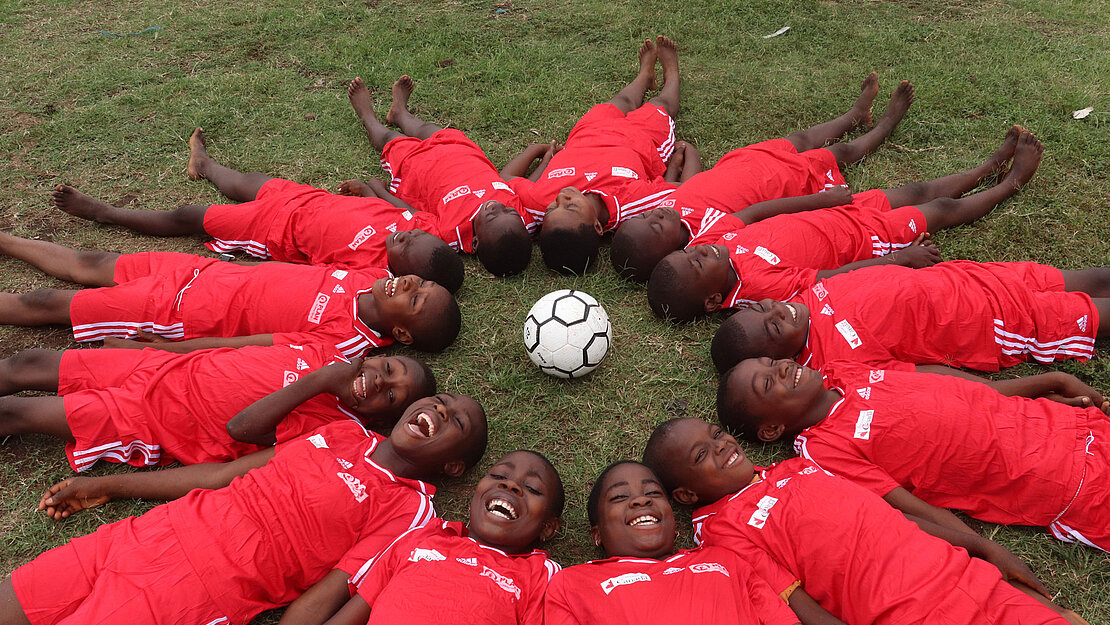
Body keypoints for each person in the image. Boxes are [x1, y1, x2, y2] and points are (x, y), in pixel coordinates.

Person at [0, 393, 488, 625]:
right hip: (147, 533)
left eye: (456, 422)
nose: (441, 412)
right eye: (439, 402)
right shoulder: (343, 433)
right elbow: (221, 475)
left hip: (196, 586)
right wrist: (113, 485)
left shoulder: (411, 512)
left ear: (453, 467)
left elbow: (327, 593)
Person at [641, 417, 1088, 625]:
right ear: (685, 494)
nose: (720, 446)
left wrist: (983, 548)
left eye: (716, 435)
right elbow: (797, 606)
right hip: (912, 612)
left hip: (966, 577)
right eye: (702, 455)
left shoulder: (793, 467)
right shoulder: (722, 530)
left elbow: (888, 514)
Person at [718, 356, 1110, 552]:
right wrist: (986, 551)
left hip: (1065, 424)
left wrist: (1046, 381)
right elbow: (907, 509)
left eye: (771, 362)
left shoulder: (843, 371)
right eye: (769, 382)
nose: (784, 366)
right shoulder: (822, 449)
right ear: (771, 429)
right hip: (1065, 482)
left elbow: (946, 383)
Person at [648, 129, 1042, 322]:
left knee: (916, 188)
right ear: (714, 301)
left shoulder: (713, 239)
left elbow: (756, 212)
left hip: (840, 211)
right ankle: (1010, 182)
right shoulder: (758, 290)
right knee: (939, 207)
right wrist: (901, 259)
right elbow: (833, 276)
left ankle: (990, 165)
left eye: (688, 252)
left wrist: (821, 200)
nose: (698, 251)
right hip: (870, 238)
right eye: (698, 264)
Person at [51, 128, 463, 293]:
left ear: (403, 273)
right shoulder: (422, 226)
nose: (407, 234)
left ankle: (103, 211)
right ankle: (206, 163)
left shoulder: (370, 273)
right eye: (418, 235)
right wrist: (369, 189)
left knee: (189, 215)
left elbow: (314, 279)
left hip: (273, 230)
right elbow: (397, 206)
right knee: (250, 181)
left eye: (407, 247)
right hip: (309, 199)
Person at [612, 71, 916, 282]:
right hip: (778, 183)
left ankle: (854, 114)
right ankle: (884, 126)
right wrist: (821, 201)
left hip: (744, 162)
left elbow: (685, 186)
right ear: (668, 253)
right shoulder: (709, 238)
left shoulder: (669, 210)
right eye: (652, 225)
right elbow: (763, 216)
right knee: (839, 154)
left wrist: (688, 157)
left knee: (802, 137)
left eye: (644, 216)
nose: (655, 214)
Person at [0, 231, 461, 356]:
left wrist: (172, 347)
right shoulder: (368, 274)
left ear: (401, 333)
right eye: (421, 282)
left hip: (175, 311)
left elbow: (242, 346)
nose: (410, 283)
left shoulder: (343, 343)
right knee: (93, 261)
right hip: (200, 270)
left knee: (49, 303)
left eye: (416, 298)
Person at [0, 343, 434, 470]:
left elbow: (242, 429)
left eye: (391, 395)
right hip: (161, 366)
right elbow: (246, 345)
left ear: (378, 418)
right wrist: (161, 348)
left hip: (152, 420)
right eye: (390, 367)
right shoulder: (326, 348)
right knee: (29, 361)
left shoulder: (329, 429)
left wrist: (321, 381)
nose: (381, 379)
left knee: (16, 413)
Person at [288, 450, 563, 625]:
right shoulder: (424, 537)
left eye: (531, 488)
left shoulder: (540, 575)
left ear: (548, 528)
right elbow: (358, 610)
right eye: (499, 475)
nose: (510, 484)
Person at [709, 258, 1110, 374]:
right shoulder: (835, 364)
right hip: (993, 324)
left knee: (1084, 278)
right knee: (1090, 312)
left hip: (969, 276)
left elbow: (851, 273)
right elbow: (925, 379)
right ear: (780, 359)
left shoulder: (799, 297)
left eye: (764, 308)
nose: (779, 309)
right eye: (774, 324)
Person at [508, 37, 701, 275]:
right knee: (661, 105)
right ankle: (672, 73)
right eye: (569, 208)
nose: (562, 198)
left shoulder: (538, 202)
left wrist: (536, 152)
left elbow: (504, 182)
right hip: (642, 140)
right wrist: (691, 155)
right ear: (598, 227)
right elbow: (687, 192)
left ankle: (644, 77)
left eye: (552, 208)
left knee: (620, 101)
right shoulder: (629, 203)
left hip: (589, 133)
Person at [544, 460, 800, 625]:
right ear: (597, 534)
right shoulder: (572, 584)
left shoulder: (725, 560)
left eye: (653, 493)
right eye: (620, 496)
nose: (641, 501)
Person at [344, 75, 542, 277]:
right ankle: (400, 113)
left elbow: (410, 213)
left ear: (475, 242)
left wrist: (377, 190)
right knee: (426, 128)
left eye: (492, 215)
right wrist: (544, 156)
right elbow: (524, 183)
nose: (498, 206)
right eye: (510, 211)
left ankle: (367, 115)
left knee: (391, 139)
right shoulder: (525, 219)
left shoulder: (450, 232)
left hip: (418, 168)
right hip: (461, 151)